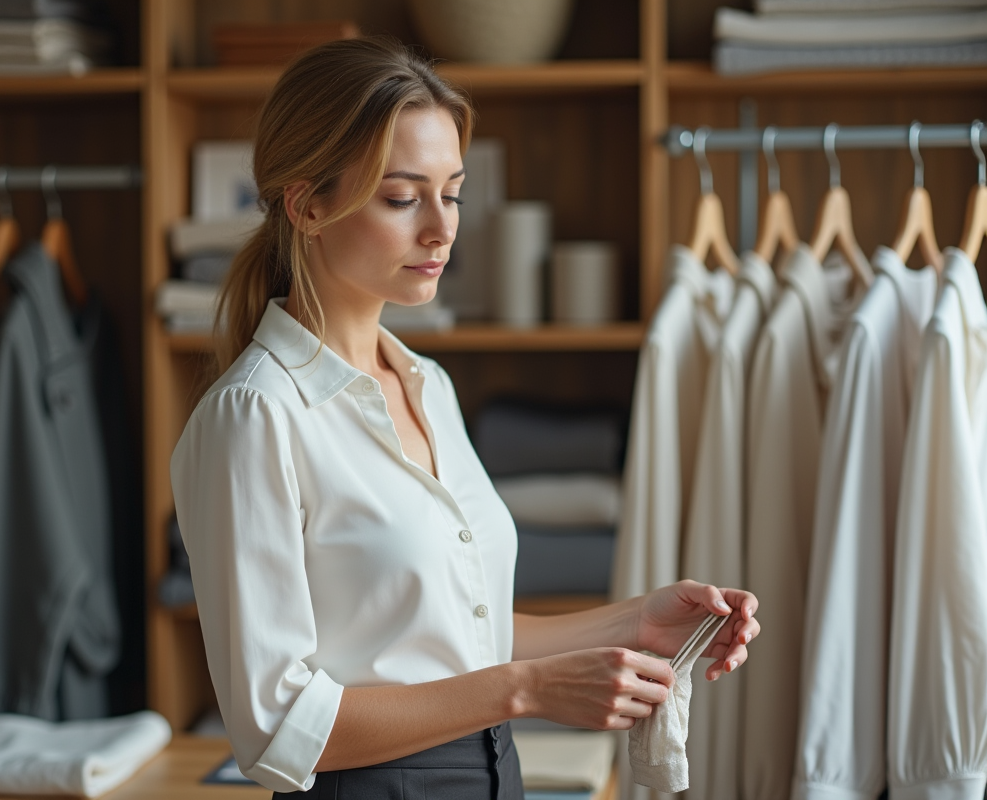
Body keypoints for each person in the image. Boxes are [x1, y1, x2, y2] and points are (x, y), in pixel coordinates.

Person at [170, 36, 760, 799]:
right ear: (307, 203)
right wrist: (526, 691)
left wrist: (634, 623)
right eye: (402, 196)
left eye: (451, 192)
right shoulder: (256, 416)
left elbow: (454, 633)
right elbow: (277, 729)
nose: (442, 229)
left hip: (492, 775)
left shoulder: (428, 386)